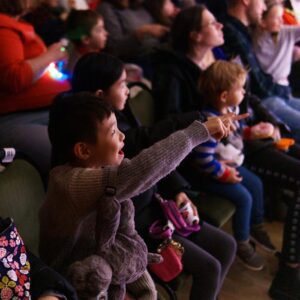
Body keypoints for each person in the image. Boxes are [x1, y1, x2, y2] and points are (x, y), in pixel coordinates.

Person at [53, 52, 239, 300]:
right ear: (84, 150)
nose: (122, 137)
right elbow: (140, 169)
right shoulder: (73, 180)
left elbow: (127, 236)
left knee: (225, 246)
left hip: (131, 237)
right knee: (209, 266)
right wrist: (199, 131)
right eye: (114, 133)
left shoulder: (102, 159)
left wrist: (176, 191)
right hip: (86, 277)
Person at [152, 5, 300, 299]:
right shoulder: (174, 71)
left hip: (241, 138)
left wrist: (268, 122)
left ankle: (264, 232)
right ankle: (289, 269)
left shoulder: (219, 55)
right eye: (211, 23)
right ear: (195, 35)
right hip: (216, 152)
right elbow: (173, 127)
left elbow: (248, 95)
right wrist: (224, 127)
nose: (221, 25)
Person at [190, 60, 276, 271]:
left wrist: (251, 133)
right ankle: (242, 242)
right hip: (208, 174)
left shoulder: (232, 110)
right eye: (240, 88)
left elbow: (235, 135)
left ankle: (255, 226)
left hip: (228, 164)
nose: (245, 92)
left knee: (256, 184)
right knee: (244, 197)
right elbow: (202, 160)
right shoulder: (211, 122)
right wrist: (223, 174)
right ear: (224, 96)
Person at [0, 0, 70, 179]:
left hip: (46, 111)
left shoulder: (16, 25)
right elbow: (14, 78)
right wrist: (51, 55)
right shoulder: (3, 28)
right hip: (17, 119)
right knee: (70, 158)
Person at [222, 0, 300, 143]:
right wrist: (283, 89)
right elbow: (258, 86)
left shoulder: (242, 31)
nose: (263, 7)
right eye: (262, 2)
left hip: (272, 95)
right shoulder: (231, 33)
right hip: (263, 101)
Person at [97, 0, 169, 63]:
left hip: (159, 52)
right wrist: (141, 33)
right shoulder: (107, 8)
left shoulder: (141, 4)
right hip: (138, 60)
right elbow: (114, 48)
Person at [253, 0, 300, 87]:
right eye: (277, 18)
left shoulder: (286, 32)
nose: (281, 21)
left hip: (283, 86)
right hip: (266, 87)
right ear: (262, 22)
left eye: (281, 17)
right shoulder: (254, 39)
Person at [64, 9, 108, 74]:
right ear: (86, 39)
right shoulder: (82, 68)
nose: (106, 33)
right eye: (100, 30)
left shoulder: (93, 57)